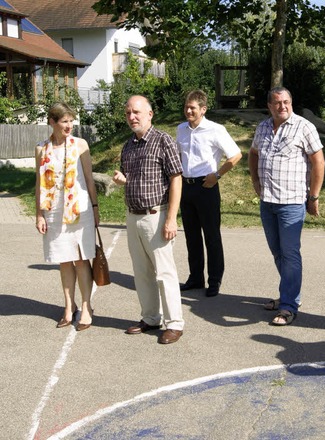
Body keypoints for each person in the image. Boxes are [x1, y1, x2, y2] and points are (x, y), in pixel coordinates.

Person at [248, 86, 325, 326]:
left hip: (291, 202)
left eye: (286, 102)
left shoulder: (304, 127)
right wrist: (255, 180)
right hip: (267, 201)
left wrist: (313, 197)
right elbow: (253, 153)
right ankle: (289, 295)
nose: (282, 106)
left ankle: (289, 306)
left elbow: (318, 161)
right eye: (277, 103)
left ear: (291, 103)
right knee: (277, 252)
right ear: (269, 106)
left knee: (290, 254)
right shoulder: (262, 127)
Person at [112, 95, 185, 345]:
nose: (132, 117)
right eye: (128, 113)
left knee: (164, 273)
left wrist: (171, 218)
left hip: (157, 215)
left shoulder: (163, 140)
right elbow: (132, 177)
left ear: (150, 114)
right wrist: (123, 180)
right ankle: (151, 318)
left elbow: (176, 177)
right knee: (141, 272)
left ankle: (174, 323)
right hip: (133, 217)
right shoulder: (128, 145)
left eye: (137, 112)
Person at [36, 103, 100, 332]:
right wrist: (39, 214)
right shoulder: (41, 149)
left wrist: (95, 206)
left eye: (71, 121)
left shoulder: (80, 144)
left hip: (79, 210)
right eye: (64, 121)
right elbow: (39, 184)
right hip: (53, 211)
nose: (69, 125)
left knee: (82, 259)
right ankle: (67, 306)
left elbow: (90, 179)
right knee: (64, 260)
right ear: (52, 122)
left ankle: (86, 306)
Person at [176, 90, 242, 297]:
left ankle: (214, 281)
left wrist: (217, 175)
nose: (188, 111)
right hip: (186, 187)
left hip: (207, 187)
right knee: (191, 236)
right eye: (187, 107)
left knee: (211, 237)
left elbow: (236, 155)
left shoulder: (216, 130)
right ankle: (196, 278)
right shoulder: (181, 130)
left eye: (193, 108)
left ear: (203, 109)